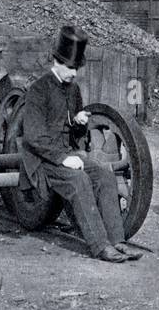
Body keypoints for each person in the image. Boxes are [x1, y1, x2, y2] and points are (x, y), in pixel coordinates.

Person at [17, 24, 145, 263]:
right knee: (79, 180)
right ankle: (100, 246)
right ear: (56, 62)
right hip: (43, 162)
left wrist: (78, 123)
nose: (75, 73)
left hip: (67, 156)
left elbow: (76, 136)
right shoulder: (38, 90)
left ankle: (118, 241)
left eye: (77, 68)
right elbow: (33, 137)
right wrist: (63, 158)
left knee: (104, 174)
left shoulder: (73, 90)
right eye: (71, 68)